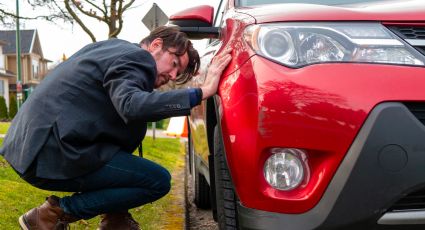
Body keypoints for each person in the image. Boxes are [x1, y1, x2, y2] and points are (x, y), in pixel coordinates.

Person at [0, 26, 232, 229]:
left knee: (132, 168)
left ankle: (115, 219)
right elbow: (132, 106)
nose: (171, 76)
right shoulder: (137, 58)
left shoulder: (113, 49)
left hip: (34, 147)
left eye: (177, 74)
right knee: (157, 180)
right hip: (52, 152)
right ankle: (52, 214)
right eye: (173, 64)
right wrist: (201, 92)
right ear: (156, 45)